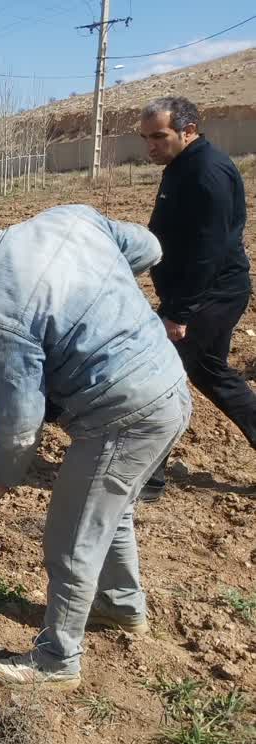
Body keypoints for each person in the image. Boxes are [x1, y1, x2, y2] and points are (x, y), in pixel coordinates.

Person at [0, 203, 191, 690]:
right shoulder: (70, 219)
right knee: (108, 510)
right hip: (168, 387)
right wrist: (99, 291)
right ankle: (121, 606)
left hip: (123, 414)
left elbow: (18, 425)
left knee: (71, 535)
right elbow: (150, 247)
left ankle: (58, 659)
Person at [138, 96, 254, 502]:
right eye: (145, 138)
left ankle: (148, 476)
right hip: (198, 293)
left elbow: (210, 251)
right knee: (209, 373)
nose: (150, 146)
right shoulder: (180, 166)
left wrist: (178, 313)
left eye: (159, 136)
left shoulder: (207, 172)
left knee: (159, 378)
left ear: (188, 131)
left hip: (210, 295)